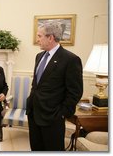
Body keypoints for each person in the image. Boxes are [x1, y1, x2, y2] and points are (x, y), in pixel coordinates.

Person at [26, 22, 83, 151]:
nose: (37, 39)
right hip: (34, 113)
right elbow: (37, 84)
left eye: (40, 36)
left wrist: (62, 113)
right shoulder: (39, 56)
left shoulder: (70, 59)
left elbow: (75, 91)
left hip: (53, 117)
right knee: (36, 149)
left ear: (50, 38)